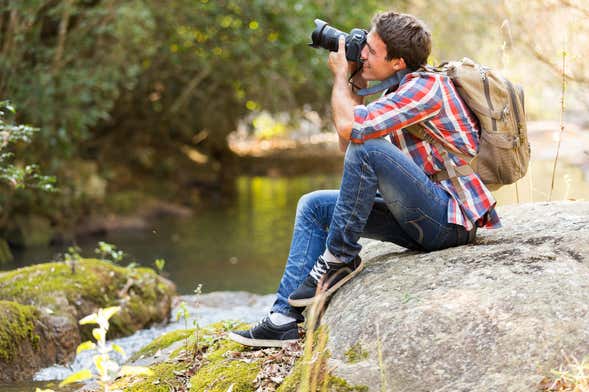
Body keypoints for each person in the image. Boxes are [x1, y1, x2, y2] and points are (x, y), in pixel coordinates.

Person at [228, 10, 500, 348]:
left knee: (368, 148)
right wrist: (355, 82)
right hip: (421, 218)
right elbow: (348, 144)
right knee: (313, 206)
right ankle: (282, 319)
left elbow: (351, 133)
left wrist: (341, 77)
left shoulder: (427, 88)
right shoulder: (397, 92)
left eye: (371, 50)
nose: (362, 53)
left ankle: (339, 259)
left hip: (449, 221)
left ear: (398, 61)